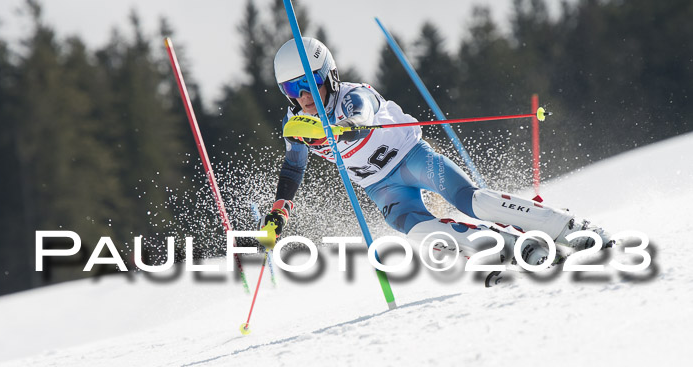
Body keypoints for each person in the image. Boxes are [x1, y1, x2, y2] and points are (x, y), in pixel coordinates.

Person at [259, 37, 612, 267]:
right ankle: (507, 249)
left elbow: (361, 114)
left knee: (471, 201)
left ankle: (566, 226)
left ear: (329, 75)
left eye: (310, 82)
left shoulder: (353, 94)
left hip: (412, 158)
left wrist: (339, 129)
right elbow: (293, 168)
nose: (304, 95)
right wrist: (279, 212)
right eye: (293, 87)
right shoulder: (296, 123)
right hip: (380, 187)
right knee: (416, 230)